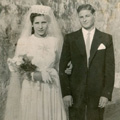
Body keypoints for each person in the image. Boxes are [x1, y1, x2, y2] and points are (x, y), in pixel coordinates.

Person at [4, 5, 67, 120]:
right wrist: (35, 75)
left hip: (51, 86)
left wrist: (63, 69)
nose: (40, 26)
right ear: (32, 24)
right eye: (37, 23)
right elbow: (18, 68)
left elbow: (59, 64)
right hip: (32, 87)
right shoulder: (24, 41)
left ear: (48, 23)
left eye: (44, 22)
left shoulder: (55, 41)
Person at [59, 4, 115, 120]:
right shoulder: (70, 38)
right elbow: (62, 67)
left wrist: (106, 94)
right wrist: (66, 93)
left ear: (94, 16)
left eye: (87, 16)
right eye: (81, 17)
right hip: (75, 91)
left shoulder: (105, 38)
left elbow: (109, 69)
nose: (84, 19)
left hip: (97, 91)